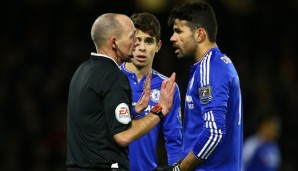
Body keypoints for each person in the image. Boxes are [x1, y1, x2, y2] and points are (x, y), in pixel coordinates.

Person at [66, 13, 176, 171]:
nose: (136, 43)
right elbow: (123, 136)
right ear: (114, 42)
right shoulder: (114, 77)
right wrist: (159, 110)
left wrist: (133, 110)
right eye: (132, 37)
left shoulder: (82, 71)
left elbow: (96, 120)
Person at [155, 2, 243, 171]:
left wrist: (179, 169)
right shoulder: (215, 65)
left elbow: (214, 133)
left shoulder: (210, 68)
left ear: (200, 34)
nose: (172, 38)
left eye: (179, 31)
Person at [119, 12, 183, 171]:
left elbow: (174, 140)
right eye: (137, 40)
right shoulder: (110, 80)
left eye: (149, 41)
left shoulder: (167, 88)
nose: (142, 48)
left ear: (158, 46)